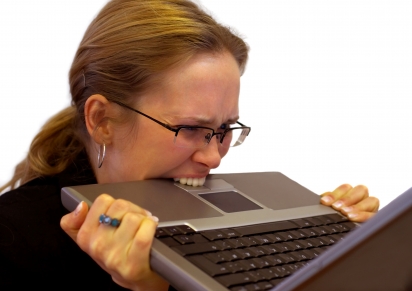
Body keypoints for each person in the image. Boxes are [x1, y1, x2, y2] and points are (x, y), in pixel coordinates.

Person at [0, 0, 379, 290]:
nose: (213, 157)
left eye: (226, 128)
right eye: (189, 128)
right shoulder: (15, 242)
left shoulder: (214, 226)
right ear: (102, 121)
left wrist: (352, 257)